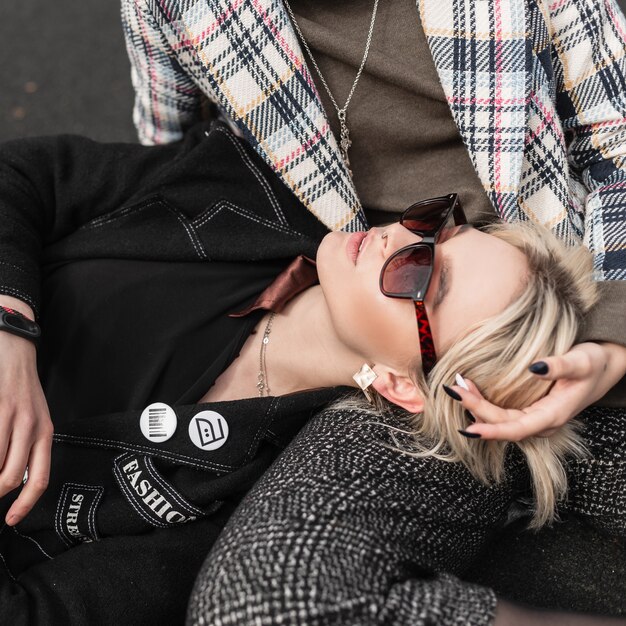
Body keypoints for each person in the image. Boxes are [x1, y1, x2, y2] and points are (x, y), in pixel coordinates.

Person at [0, 119, 621, 624]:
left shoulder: (262, 499)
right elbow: (23, 178)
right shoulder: (248, 192)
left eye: (420, 276)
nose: (396, 236)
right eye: (431, 224)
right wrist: (11, 322)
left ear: (403, 383)